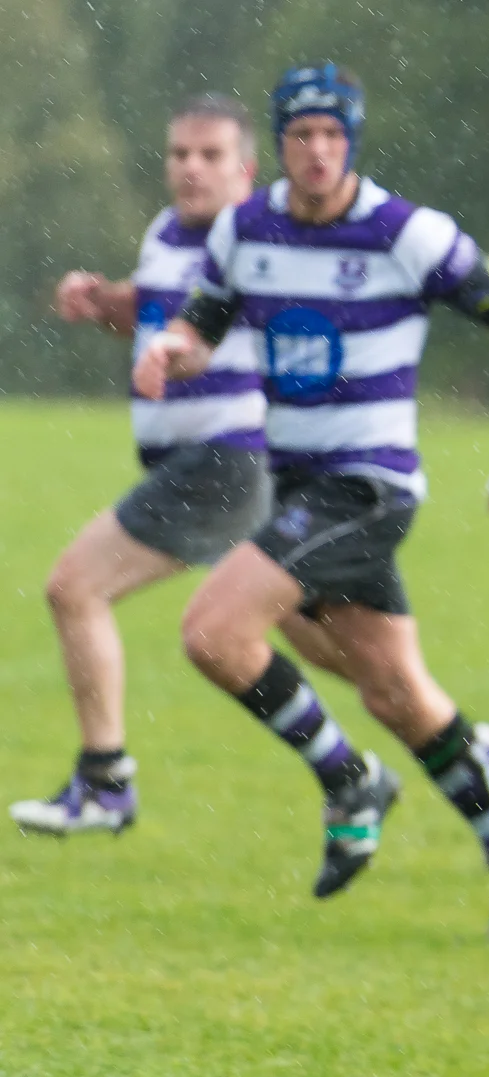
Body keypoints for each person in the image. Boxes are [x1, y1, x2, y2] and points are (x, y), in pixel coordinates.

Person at [133, 63, 489, 941]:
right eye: (303, 135)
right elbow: (204, 322)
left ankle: (348, 781)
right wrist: (172, 349)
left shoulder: (404, 233)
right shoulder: (242, 231)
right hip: (299, 485)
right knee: (395, 690)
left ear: (353, 142)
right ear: (282, 144)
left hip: (368, 485)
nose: (320, 150)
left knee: (213, 633)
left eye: (335, 135)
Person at [12, 94, 267, 837]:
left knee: (74, 587)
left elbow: (211, 331)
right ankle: (460, 750)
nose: (190, 167)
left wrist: (180, 353)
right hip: (200, 462)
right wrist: (101, 300)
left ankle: (105, 783)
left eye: (210, 155)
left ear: (246, 170)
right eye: (180, 153)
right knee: (326, 628)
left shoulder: (253, 243)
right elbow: (152, 309)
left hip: (225, 455)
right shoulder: (165, 232)